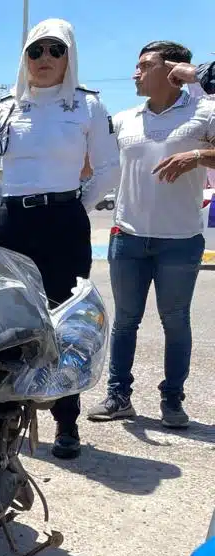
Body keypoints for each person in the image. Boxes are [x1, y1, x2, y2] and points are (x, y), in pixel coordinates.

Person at [0, 18, 120, 460]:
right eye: (35, 52)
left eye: (54, 50)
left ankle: (67, 422)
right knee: (3, 321)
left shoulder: (87, 106)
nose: (44, 60)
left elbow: (108, 168)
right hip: (14, 223)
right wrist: (11, 208)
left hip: (64, 222)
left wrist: (74, 205)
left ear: (68, 56)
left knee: (65, 322)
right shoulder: (6, 108)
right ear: (25, 58)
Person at [87, 42, 215, 429]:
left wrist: (196, 155)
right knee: (125, 321)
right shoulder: (125, 119)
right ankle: (118, 396)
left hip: (179, 240)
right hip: (127, 237)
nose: (135, 73)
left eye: (144, 65)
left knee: (175, 322)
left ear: (174, 70)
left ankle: (172, 400)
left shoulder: (205, 111)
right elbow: (95, 162)